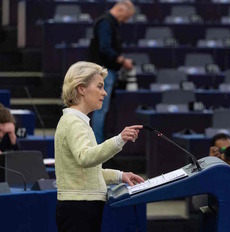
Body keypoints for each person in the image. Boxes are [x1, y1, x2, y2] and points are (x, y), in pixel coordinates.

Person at [55, 61, 144, 232]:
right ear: (81, 89)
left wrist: (119, 175)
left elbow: (86, 172)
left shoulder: (77, 121)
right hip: (79, 209)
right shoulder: (73, 122)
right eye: (100, 86)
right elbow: (85, 158)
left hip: (82, 207)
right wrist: (119, 140)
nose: (104, 92)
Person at [89, 0, 135, 144]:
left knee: (101, 108)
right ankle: (97, 142)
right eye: (125, 17)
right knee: (100, 108)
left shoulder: (110, 23)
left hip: (107, 72)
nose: (125, 21)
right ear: (120, 10)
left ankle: (98, 141)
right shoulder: (105, 23)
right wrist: (121, 60)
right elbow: (104, 48)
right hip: (103, 73)